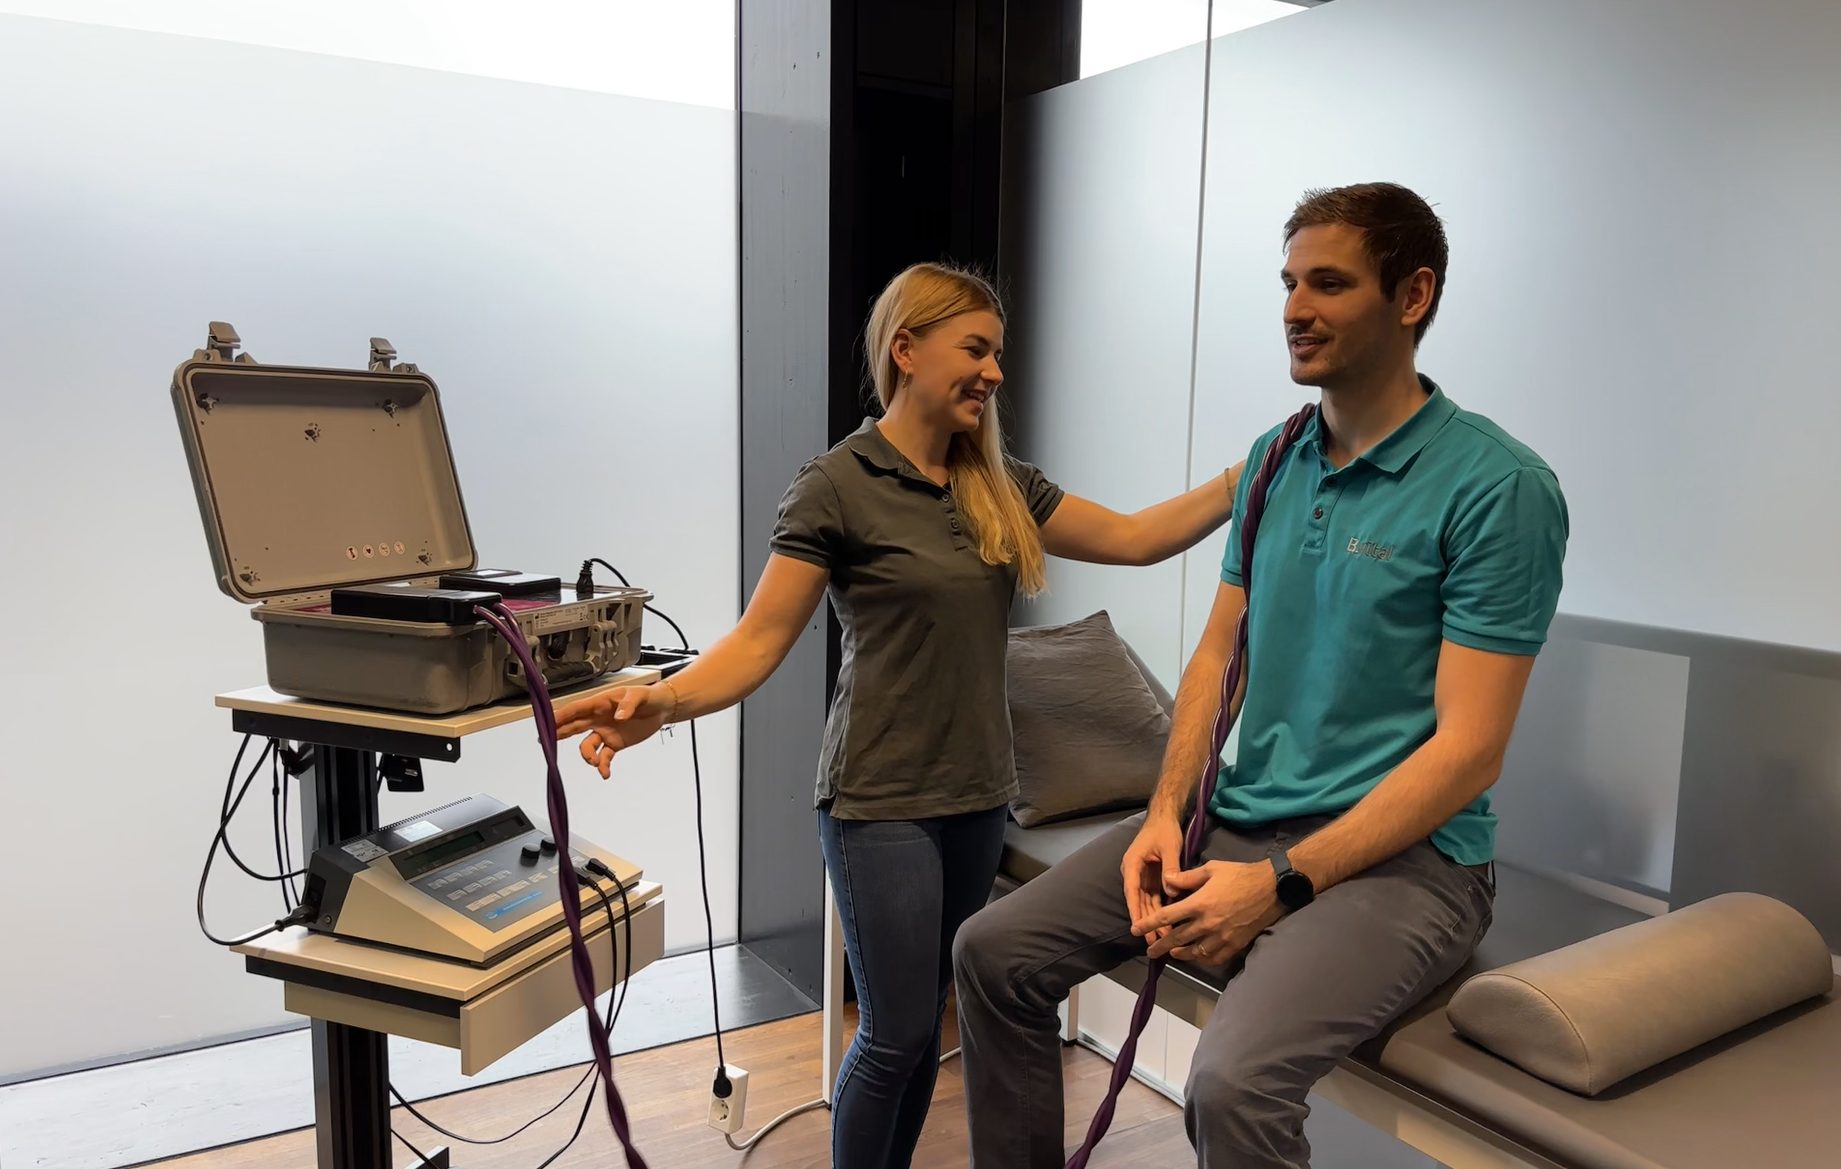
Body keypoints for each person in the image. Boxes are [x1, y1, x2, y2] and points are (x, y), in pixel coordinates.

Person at [553, 261, 1248, 1169]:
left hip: (977, 797)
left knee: (925, 1030)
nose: (994, 371)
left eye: (999, 352)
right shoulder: (837, 484)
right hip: (879, 802)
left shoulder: (998, 481)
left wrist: (1249, 470)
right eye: (975, 348)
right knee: (894, 1031)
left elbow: (1136, 537)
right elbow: (761, 639)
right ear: (906, 349)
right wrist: (664, 698)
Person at [952, 182, 1570, 1169]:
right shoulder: (1274, 458)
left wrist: (1276, 883)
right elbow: (1213, 655)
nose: (1293, 306)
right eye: (1287, 281)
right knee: (992, 952)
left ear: (1410, 295)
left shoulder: (1497, 487)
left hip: (1412, 864)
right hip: (1240, 813)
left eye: (1326, 282)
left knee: (1231, 1087)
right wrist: (1165, 811)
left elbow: (1467, 750)